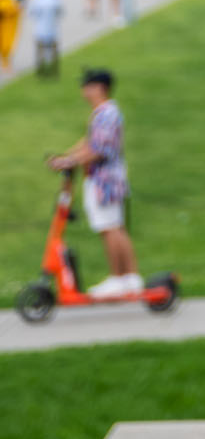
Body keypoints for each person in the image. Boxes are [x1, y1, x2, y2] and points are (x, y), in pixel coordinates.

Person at [48, 67, 142, 295]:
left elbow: (98, 149)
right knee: (114, 227)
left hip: (104, 180)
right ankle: (129, 278)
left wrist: (69, 161)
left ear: (99, 88)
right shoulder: (104, 113)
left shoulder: (107, 113)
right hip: (106, 179)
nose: (84, 91)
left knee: (109, 228)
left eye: (87, 86)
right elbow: (88, 142)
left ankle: (119, 278)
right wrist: (67, 157)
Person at [28, 0, 64, 76]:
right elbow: (61, 12)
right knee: (52, 50)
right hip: (53, 28)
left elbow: (31, 13)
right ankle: (53, 71)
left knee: (40, 49)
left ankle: (41, 70)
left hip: (39, 28)